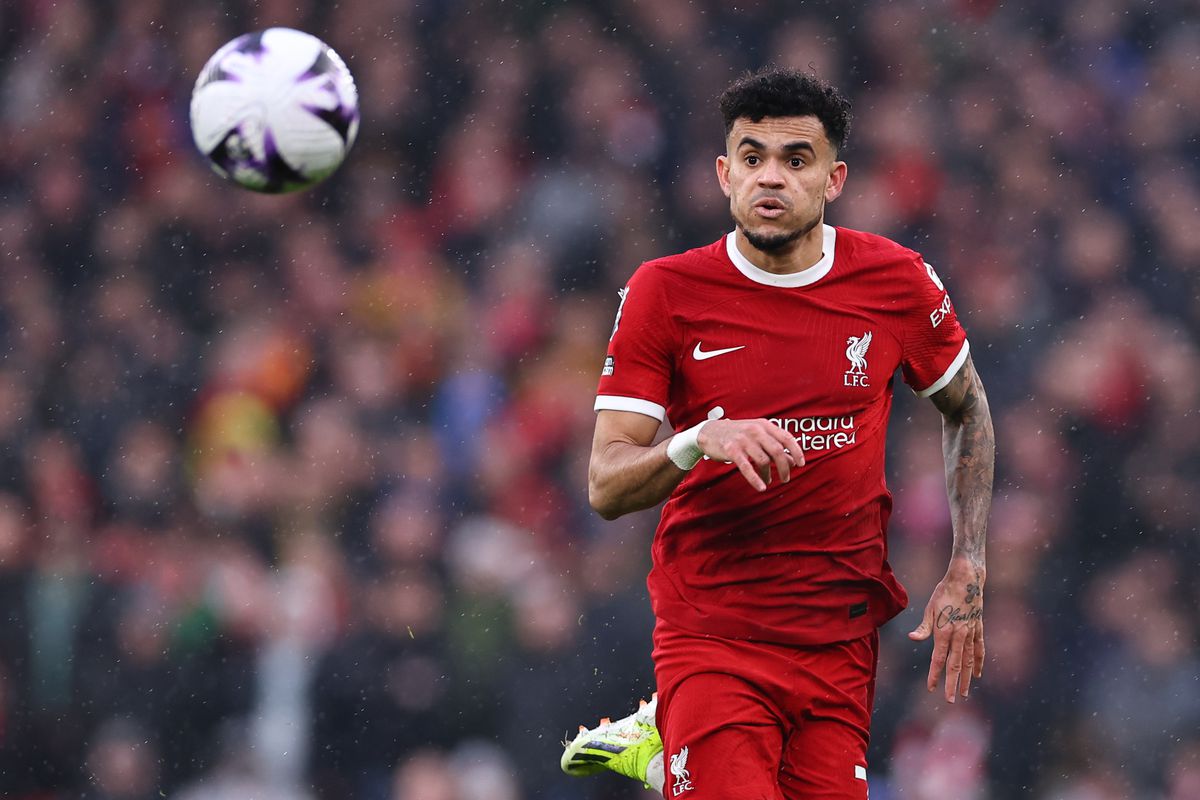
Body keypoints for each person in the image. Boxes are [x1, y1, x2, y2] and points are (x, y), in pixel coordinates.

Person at [560, 67, 993, 799]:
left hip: (839, 637)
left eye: (796, 159)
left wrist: (969, 562)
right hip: (713, 629)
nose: (771, 176)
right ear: (724, 175)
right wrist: (698, 440)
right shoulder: (666, 292)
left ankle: (668, 749)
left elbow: (968, 408)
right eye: (753, 157)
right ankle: (685, 732)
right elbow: (605, 484)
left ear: (834, 179)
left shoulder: (896, 282)